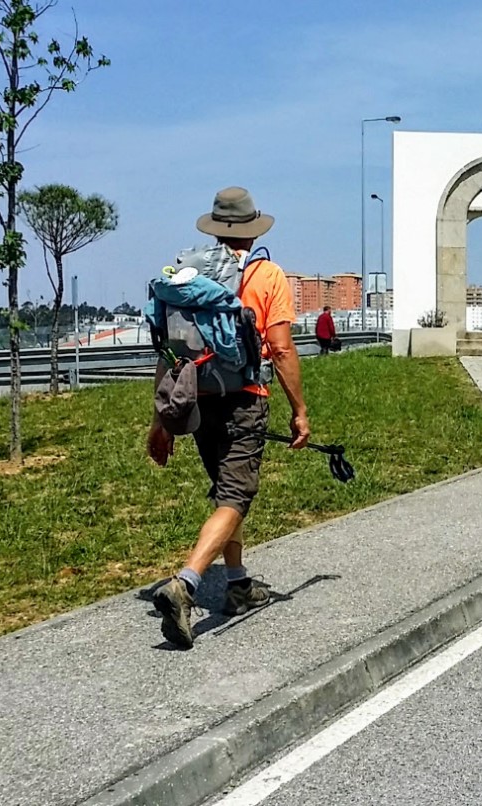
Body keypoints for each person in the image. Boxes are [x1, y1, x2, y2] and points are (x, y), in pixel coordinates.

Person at [147, 186, 310, 649]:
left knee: (224, 492)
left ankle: (236, 585)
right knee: (236, 494)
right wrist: (300, 411)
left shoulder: (187, 276)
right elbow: (279, 348)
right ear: (251, 229)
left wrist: (161, 421)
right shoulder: (267, 275)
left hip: (197, 398)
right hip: (244, 399)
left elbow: (168, 353)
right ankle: (186, 585)